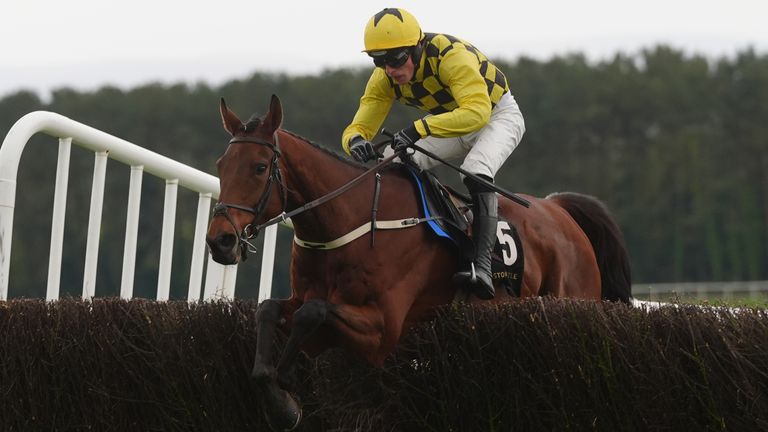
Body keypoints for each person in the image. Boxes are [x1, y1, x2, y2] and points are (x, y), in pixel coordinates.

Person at [341, 7, 525, 300]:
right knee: (394, 160)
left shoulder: (450, 56)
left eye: (396, 58)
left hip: (496, 115)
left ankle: (483, 267)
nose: (389, 69)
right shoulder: (384, 78)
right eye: (379, 61)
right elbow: (359, 125)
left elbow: (477, 113)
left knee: (476, 169)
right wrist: (356, 141)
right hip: (452, 123)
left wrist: (419, 128)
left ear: (417, 47)